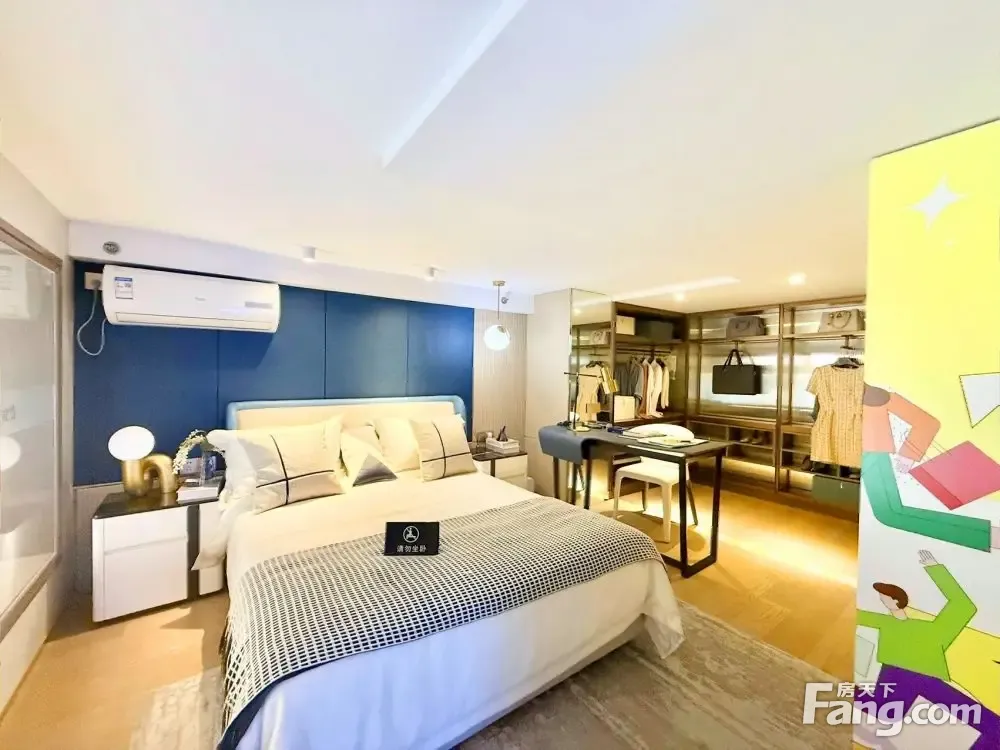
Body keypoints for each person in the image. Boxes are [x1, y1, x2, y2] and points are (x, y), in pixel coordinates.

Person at [856, 551, 998, 747]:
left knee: (993, 726)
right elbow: (859, 615)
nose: (882, 600)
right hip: (899, 673)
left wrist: (935, 568)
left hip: (924, 677)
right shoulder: (887, 623)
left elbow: (964, 606)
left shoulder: (933, 630)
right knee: (887, 711)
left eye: (884, 597)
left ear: (896, 601)